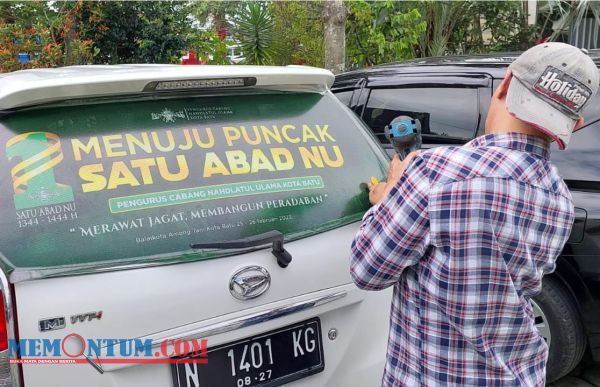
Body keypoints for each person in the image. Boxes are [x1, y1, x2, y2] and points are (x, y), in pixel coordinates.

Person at [350, 42, 599, 386]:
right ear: (575, 123)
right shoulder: (558, 198)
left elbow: (367, 270)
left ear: (507, 82)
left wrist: (389, 196)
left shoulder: (435, 172)